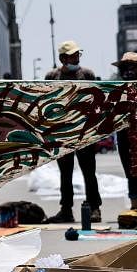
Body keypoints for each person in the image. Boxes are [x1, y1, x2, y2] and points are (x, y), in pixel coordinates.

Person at [45, 40, 102, 223]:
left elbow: (97, 102)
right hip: (62, 133)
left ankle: (95, 208)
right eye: (72, 55)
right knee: (65, 173)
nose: (76, 58)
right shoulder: (52, 76)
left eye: (78, 54)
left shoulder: (87, 74)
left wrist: (96, 131)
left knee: (89, 172)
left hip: (85, 131)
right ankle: (66, 210)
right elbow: (45, 105)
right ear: (62, 58)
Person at [112, 52, 137, 210]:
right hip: (124, 134)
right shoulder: (119, 88)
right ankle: (135, 208)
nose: (128, 71)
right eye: (125, 67)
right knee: (131, 174)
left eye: (133, 67)